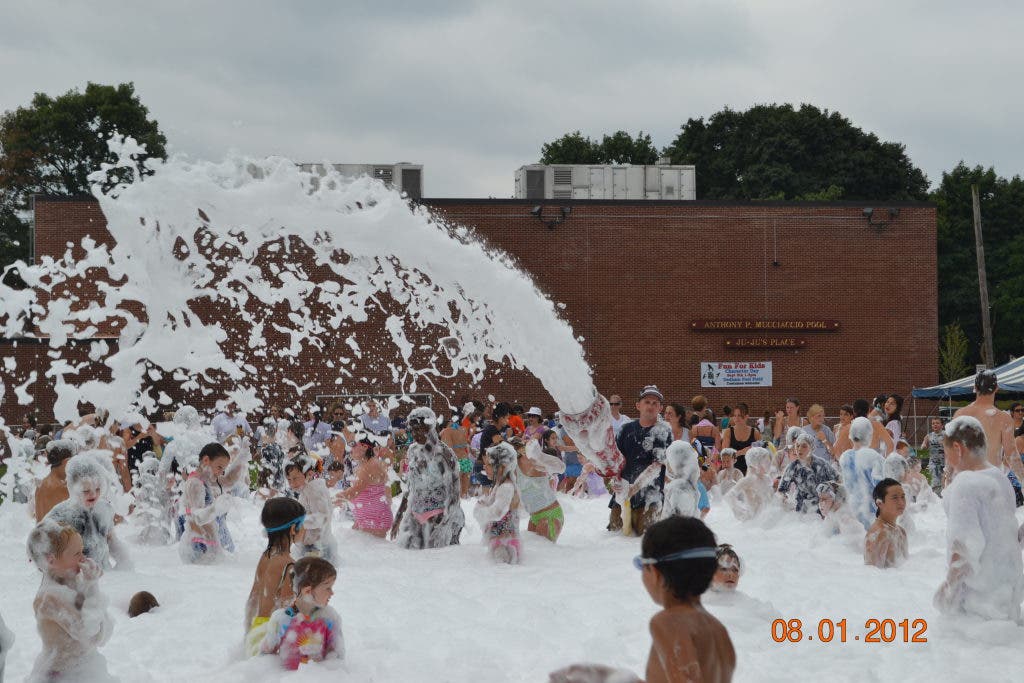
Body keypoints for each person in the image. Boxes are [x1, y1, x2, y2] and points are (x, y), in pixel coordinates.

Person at [549, 516, 735, 683]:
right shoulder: (718, 631)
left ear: (653, 572)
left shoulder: (670, 623)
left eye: (641, 564)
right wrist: (610, 677)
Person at [934, 416, 1024, 621]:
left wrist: (946, 594)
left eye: (947, 454)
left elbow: (965, 548)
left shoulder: (965, 484)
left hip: (978, 607)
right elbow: (1009, 536)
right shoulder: (1000, 477)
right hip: (1007, 599)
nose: (947, 461)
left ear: (958, 449)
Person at [26, 520, 113, 682]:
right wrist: (92, 586)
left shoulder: (69, 584)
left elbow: (101, 629)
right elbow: (92, 633)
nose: (83, 558)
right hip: (63, 676)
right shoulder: (49, 599)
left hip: (82, 669)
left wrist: (88, 583)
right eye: (76, 554)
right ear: (51, 560)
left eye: (82, 551)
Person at [44, 453, 132, 570]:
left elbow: (111, 540)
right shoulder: (61, 515)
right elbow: (42, 548)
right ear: (73, 488)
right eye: (86, 491)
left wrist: (125, 562)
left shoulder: (104, 509)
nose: (93, 494)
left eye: (98, 489)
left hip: (105, 574)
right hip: (77, 579)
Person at [392, 407, 464, 548]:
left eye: (418, 429)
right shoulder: (413, 451)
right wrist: (399, 516)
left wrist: (444, 525)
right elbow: (411, 488)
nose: (414, 434)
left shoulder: (444, 454)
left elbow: (454, 494)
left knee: (436, 563)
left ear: (430, 427)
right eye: (411, 430)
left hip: (439, 516)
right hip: (416, 514)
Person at [244, 497, 306, 656]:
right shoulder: (290, 566)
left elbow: (252, 599)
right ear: (293, 529)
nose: (305, 529)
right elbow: (288, 613)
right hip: (269, 639)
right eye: (303, 524)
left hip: (256, 632)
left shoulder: (265, 557)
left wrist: (248, 633)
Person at [609, 386, 674, 535]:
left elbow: (657, 466)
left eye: (655, 403)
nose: (650, 406)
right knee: (615, 534)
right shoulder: (625, 429)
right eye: (647, 401)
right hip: (623, 493)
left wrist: (634, 488)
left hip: (651, 495)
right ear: (638, 405)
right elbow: (615, 460)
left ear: (660, 408)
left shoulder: (664, 431)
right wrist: (613, 481)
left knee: (646, 537)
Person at [259, 557, 344, 669]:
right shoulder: (282, 620)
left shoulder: (329, 618)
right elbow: (265, 655)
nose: (332, 593)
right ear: (307, 591)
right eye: (327, 588)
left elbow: (336, 657)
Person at [178, 441, 250, 563]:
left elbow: (229, 480)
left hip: (208, 541)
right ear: (206, 460)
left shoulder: (206, 480)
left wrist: (242, 456)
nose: (221, 472)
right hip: (198, 544)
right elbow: (197, 517)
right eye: (219, 467)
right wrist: (216, 508)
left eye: (223, 469)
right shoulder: (195, 483)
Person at [953, 369, 1024, 482]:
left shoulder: (960, 414)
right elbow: (1011, 454)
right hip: (991, 480)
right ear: (997, 388)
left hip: (964, 481)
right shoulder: (1003, 418)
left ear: (975, 388)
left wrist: (947, 483)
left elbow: (952, 451)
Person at [335, 433, 394, 538]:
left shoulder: (371, 466)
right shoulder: (365, 464)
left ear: (365, 447)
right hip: (367, 519)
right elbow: (386, 490)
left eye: (353, 444)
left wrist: (333, 499)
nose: (350, 448)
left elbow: (354, 492)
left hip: (375, 521)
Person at [474, 442, 523, 564]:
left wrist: (480, 510)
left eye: (489, 464)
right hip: (502, 542)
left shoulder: (506, 487)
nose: (484, 467)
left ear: (501, 467)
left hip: (505, 546)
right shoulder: (499, 484)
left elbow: (497, 513)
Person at [515, 436, 566, 542]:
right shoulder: (512, 467)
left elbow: (561, 468)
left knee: (545, 556)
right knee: (536, 555)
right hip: (534, 516)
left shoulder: (530, 461)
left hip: (550, 514)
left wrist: (539, 455)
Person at [838, 417, 885, 529]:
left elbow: (846, 485)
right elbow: (881, 486)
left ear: (851, 435)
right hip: (871, 510)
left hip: (852, 509)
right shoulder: (874, 457)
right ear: (869, 435)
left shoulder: (845, 457)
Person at [286, 457, 336, 561]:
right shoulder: (308, 488)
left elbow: (323, 517)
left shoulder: (313, 490)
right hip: (315, 543)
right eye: (289, 479)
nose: (291, 483)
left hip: (317, 547)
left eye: (295, 478)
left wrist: (299, 523)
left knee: (310, 575)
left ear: (309, 474)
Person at [776, 431, 837, 515]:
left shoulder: (822, 464)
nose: (799, 449)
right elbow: (781, 490)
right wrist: (784, 500)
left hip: (822, 510)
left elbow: (838, 480)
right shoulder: (792, 467)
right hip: (802, 510)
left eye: (804, 446)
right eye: (797, 446)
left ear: (812, 448)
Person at [864, 478, 908, 568]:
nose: (901, 502)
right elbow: (871, 577)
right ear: (879, 503)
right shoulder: (878, 534)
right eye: (895, 498)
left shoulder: (901, 532)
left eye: (903, 496)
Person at [724, 447, 774, 521]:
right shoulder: (749, 479)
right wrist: (740, 513)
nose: (770, 464)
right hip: (752, 522)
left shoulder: (767, 478)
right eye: (766, 461)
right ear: (755, 463)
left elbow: (771, 500)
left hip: (765, 519)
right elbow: (729, 496)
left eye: (770, 461)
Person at [35, 439, 76, 520]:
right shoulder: (62, 487)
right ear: (67, 461)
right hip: (55, 532)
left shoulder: (42, 484)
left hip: (42, 531)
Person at [661, 440, 702, 519]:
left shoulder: (677, 490)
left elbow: (676, 520)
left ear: (675, 463)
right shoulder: (688, 484)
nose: (666, 463)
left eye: (668, 460)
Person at [440, 414, 473, 499]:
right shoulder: (462, 429)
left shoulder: (446, 431)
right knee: (464, 492)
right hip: (465, 460)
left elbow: (448, 450)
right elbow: (467, 445)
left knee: (455, 494)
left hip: (456, 461)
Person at [721, 403, 760, 474]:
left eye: (739, 416)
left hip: (750, 471)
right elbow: (725, 455)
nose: (736, 418)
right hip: (733, 471)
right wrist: (741, 452)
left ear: (746, 416)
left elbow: (761, 454)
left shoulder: (755, 432)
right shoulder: (728, 432)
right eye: (735, 416)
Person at [920, 417, 946, 492]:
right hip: (933, 463)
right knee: (935, 482)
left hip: (944, 463)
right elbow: (923, 446)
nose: (935, 425)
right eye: (933, 423)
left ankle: (943, 498)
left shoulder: (946, 435)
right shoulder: (929, 436)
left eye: (937, 423)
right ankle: (936, 498)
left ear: (942, 425)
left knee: (944, 483)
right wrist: (924, 446)